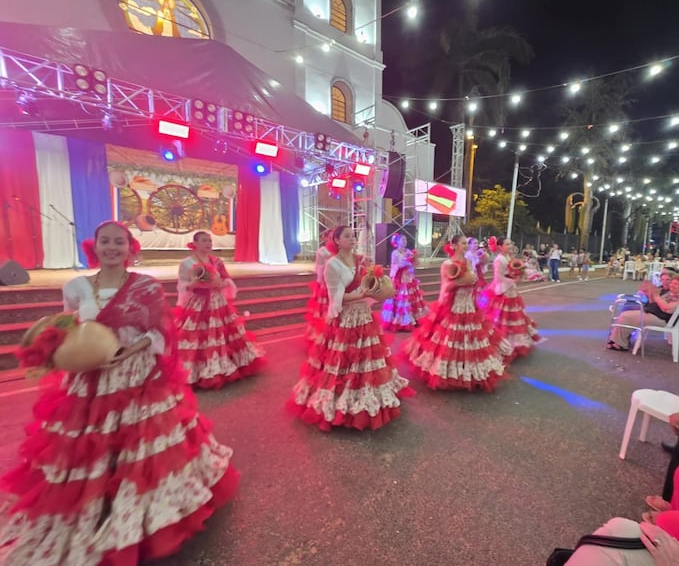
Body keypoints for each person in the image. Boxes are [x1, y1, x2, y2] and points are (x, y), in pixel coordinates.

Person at [0, 221, 239, 564]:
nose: (112, 247)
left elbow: (160, 330)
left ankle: (138, 514)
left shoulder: (146, 286)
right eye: (105, 241)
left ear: (130, 248)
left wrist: (129, 350)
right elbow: (69, 330)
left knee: (141, 446)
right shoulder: (76, 287)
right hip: (91, 381)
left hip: (137, 374)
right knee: (89, 448)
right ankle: (94, 511)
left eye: (119, 242)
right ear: (94, 246)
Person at [287, 226, 414, 431]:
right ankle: (342, 402)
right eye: (347, 236)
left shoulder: (361, 260)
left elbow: (373, 283)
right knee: (344, 362)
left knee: (367, 360)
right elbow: (337, 298)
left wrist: (377, 285)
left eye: (353, 236)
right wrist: (361, 294)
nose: (352, 239)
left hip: (364, 316)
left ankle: (370, 397)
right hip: (346, 319)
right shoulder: (332, 265)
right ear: (336, 240)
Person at [404, 235, 513, 391]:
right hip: (454, 306)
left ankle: (470, 372)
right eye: (463, 243)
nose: (466, 246)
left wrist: (473, 282)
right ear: (453, 245)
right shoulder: (447, 264)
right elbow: (446, 287)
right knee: (450, 341)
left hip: (469, 305)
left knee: (471, 340)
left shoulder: (468, 261)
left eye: (466, 243)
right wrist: (461, 282)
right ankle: (450, 373)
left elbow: (478, 271)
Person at [176, 231, 264, 388]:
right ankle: (198, 370)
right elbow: (182, 284)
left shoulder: (216, 261)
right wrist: (192, 284)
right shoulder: (186, 263)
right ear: (195, 243)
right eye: (204, 241)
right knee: (196, 336)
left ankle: (225, 365)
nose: (208, 243)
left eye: (209, 241)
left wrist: (222, 284)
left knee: (222, 335)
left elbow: (226, 278)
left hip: (217, 302)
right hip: (197, 303)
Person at [485, 236, 540, 358]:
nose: (510, 246)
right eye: (507, 244)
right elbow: (498, 278)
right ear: (500, 247)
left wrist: (521, 273)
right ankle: (503, 344)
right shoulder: (499, 259)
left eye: (510, 243)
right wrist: (513, 279)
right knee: (503, 319)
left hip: (511, 291)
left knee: (514, 318)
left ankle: (514, 344)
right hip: (503, 292)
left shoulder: (509, 257)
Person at [607, 273, 679, 351]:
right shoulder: (672, 293)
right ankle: (619, 340)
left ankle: (621, 344)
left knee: (626, 316)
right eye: (672, 283)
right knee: (627, 310)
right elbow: (655, 302)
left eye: (676, 284)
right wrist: (649, 293)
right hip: (655, 314)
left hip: (661, 319)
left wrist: (656, 296)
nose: (672, 285)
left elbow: (667, 309)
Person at [381, 233, 428, 331]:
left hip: (409, 278)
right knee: (402, 299)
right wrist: (405, 263)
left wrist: (414, 260)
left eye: (405, 240)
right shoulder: (395, 253)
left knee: (411, 298)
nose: (405, 241)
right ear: (397, 242)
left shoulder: (409, 252)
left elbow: (415, 264)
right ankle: (401, 321)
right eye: (402, 240)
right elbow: (394, 265)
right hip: (400, 279)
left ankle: (413, 319)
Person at [305, 229, 333, 343]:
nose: (331, 239)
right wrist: (321, 282)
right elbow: (319, 267)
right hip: (325, 283)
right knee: (323, 309)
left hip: (335, 283)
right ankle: (321, 334)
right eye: (329, 237)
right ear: (325, 238)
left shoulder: (338, 250)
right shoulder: (322, 251)